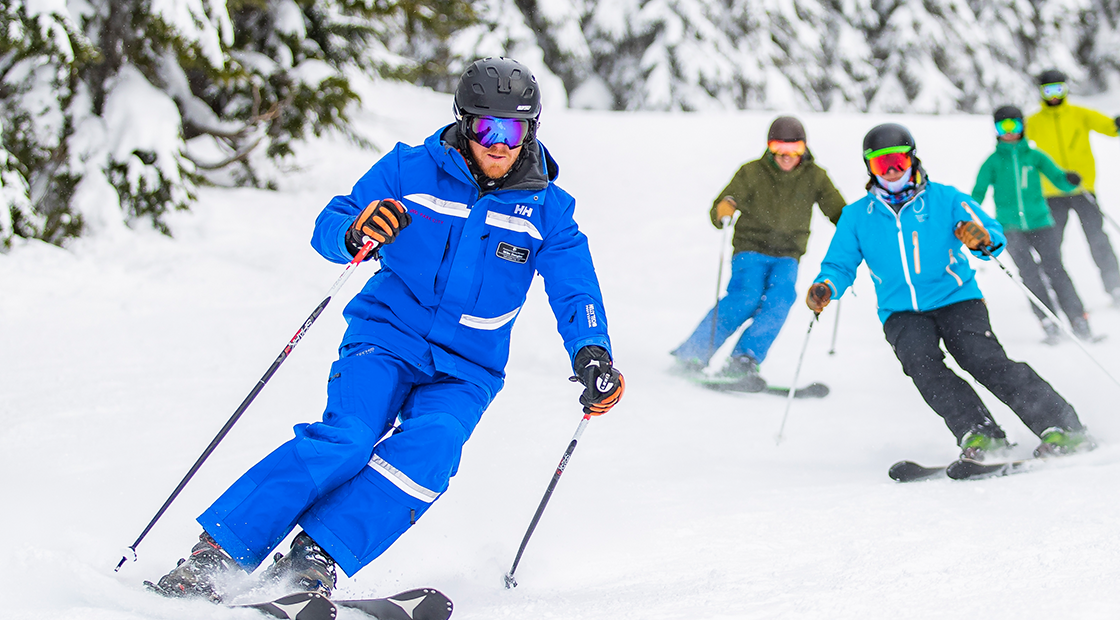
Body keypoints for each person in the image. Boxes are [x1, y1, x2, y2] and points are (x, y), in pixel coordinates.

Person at [148, 58, 626, 602]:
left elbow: (576, 288)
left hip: (467, 368)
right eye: (486, 127)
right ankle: (218, 552)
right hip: (385, 338)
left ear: (531, 130)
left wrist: (592, 353)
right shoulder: (408, 169)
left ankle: (315, 556)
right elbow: (331, 223)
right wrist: (355, 232)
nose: (499, 143)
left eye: (512, 130)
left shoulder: (549, 210)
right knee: (347, 439)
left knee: (434, 447)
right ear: (464, 125)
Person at [804, 123, 1094, 462]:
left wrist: (979, 237)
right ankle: (980, 432)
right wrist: (826, 287)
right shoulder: (857, 217)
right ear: (870, 168)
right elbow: (839, 264)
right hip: (901, 311)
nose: (893, 170)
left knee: (982, 359)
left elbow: (991, 233)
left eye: (898, 160)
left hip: (957, 299)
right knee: (922, 366)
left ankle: (1063, 426)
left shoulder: (946, 198)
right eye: (883, 164)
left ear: (912, 158)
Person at [671, 116, 845, 382]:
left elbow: (837, 210)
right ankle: (693, 353)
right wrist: (724, 209)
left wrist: (853, 228)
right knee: (746, 296)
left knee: (782, 298)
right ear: (769, 147)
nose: (786, 156)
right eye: (779, 149)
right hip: (750, 250)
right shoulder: (752, 172)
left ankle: (745, 358)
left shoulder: (815, 176)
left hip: (788, 255)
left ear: (804, 148)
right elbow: (725, 201)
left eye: (794, 149)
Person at [970, 105, 1095, 344]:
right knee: (1029, 274)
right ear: (995, 130)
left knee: (1056, 269)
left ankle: (1079, 319)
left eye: (1013, 126)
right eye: (1002, 127)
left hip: (1041, 223)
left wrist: (1069, 180)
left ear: (1022, 127)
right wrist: (966, 215)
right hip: (1010, 227)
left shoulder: (1035, 156)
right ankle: (1048, 321)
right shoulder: (993, 162)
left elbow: (1058, 178)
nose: (1009, 132)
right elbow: (978, 192)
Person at [1025, 69, 1120, 309]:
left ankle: (1115, 287)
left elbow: (1108, 127)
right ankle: (1050, 291)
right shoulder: (1033, 121)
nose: (1053, 95)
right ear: (1041, 92)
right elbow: (1015, 145)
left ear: (1065, 89)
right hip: (1051, 194)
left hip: (1083, 190)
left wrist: (1117, 124)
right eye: (1048, 90)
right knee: (1049, 245)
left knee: (1098, 238)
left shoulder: (1079, 114)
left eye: (1058, 89)